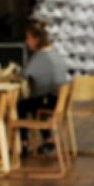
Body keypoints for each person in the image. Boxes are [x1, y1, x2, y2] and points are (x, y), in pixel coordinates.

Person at [17, 21, 71, 154]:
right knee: (35, 102)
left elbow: (25, 74)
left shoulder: (41, 56)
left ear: (36, 39)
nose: (26, 42)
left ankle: (24, 143)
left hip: (50, 100)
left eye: (28, 38)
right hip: (60, 99)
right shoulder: (54, 52)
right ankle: (48, 139)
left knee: (20, 106)